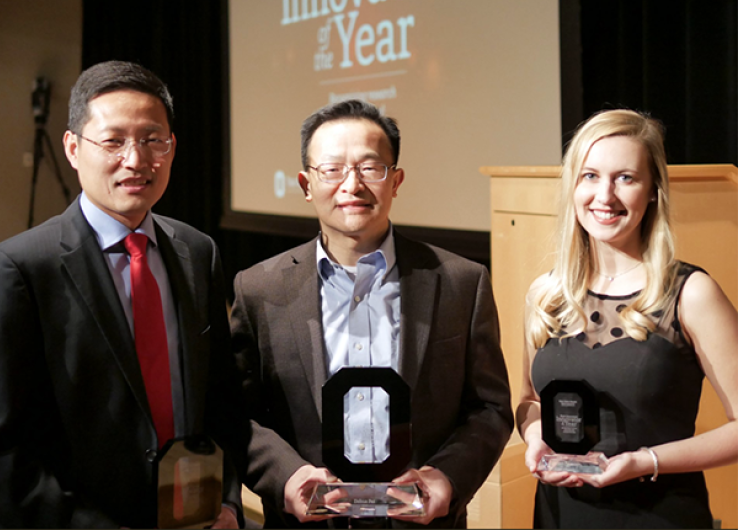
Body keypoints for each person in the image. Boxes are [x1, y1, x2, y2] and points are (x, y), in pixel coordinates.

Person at [0, 61, 247, 528]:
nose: (136, 159)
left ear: (172, 147)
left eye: (153, 140)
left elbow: (221, 400)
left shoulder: (196, 252)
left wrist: (227, 502)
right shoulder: (18, 268)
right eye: (113, 141)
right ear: (72, 148)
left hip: (196, 515)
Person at [230, 100, 513, 528]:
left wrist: (447, 478)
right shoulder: (258, 288)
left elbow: (490, 408)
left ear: (395, 180)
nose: (353, 184)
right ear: (306, 184)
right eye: (332, 169)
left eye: (370, 168)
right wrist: (287, 477)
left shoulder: (460, 282)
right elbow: (237, 412)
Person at [517, 109, 738, 528]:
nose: (605, 196)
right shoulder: (545, 294)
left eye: (625, 178)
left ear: (653, 190)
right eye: (590, 176)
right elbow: (528, 400)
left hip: (660, 515)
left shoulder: (691, 294)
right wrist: (534, 440)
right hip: (559, 514)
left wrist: (643, 461)